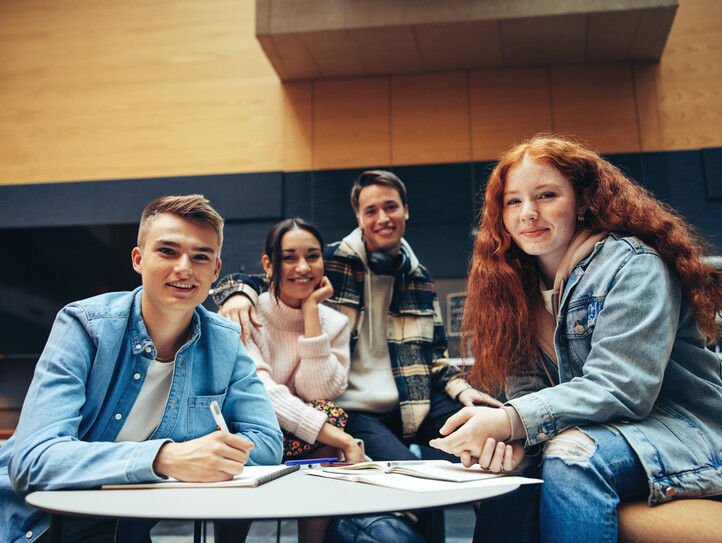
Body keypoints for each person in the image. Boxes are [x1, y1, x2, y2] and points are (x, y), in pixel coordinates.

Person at [430, 135, 722, 543]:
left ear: (584, 200)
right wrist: (518, 448)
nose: (528, 213)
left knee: (574, 456)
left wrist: (509, 420)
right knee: (510, 483)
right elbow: (529, 393)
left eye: (546, 195)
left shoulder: (635, 266)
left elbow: (622, 387)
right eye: (513, 202)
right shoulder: (511, 293)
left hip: (686, 434)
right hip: (599, 433)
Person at [0, 195, 283, 543]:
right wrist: (167, 457)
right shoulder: (85, 325)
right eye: (167, 251)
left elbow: (268, 444)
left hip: (125, 527)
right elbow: (33, 461)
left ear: (215, 270)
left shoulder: (224, 341)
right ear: (138, 259)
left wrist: (203, 456)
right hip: (37, 525)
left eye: (200, 257)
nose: (184, 267)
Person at [214, 170, 500, 465]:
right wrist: (238, 291)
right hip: (351, 407)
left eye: (390, 207)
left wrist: (461, 390)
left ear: (405, 210)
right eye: (371, 211)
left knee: (485, 437)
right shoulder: (328, 261)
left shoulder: (419, 277)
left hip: (411, 403)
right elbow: (274, 280)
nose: (383, 218)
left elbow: (435, 355)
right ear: (359, 218)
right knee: (410, 474)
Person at [244, 217, 364, 543]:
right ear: (269, 264)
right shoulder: (247, 312)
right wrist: (343, 440)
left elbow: (318, 391)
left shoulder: (335, 323)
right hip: (253, 429)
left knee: (330, 411)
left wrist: (311, 310)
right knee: (247, 422)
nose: (303, 267)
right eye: (289, 257)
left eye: (312, 256)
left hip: (304, 437)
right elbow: (259, 391)